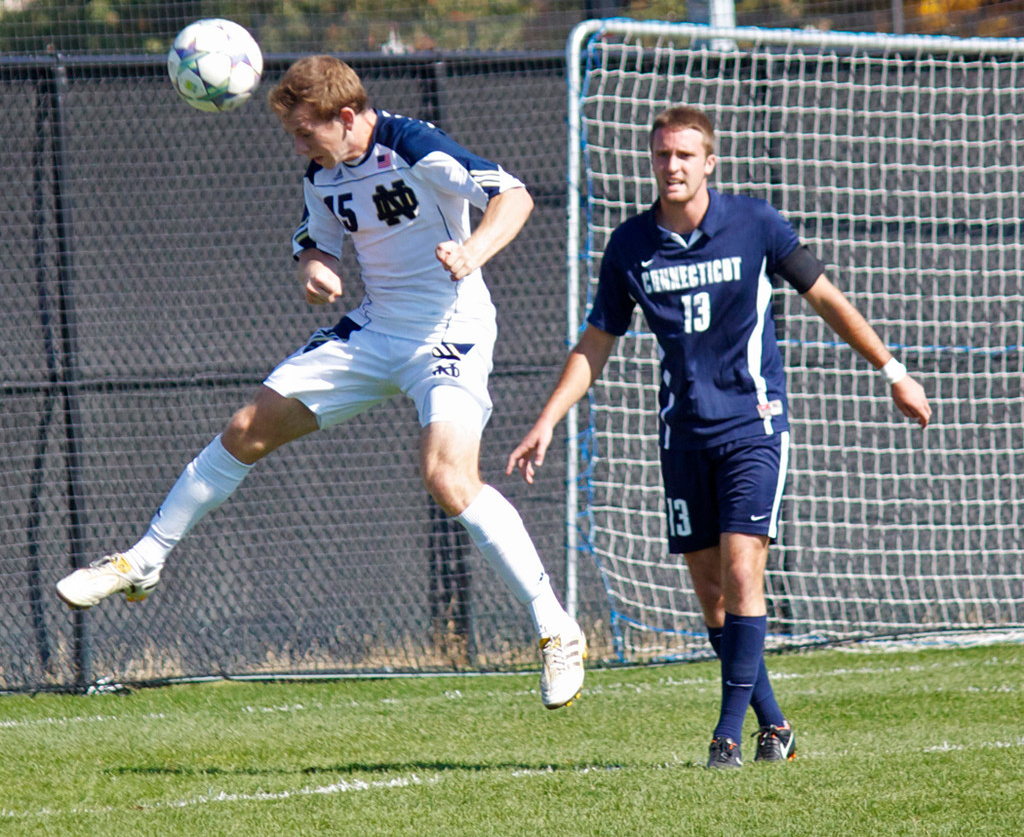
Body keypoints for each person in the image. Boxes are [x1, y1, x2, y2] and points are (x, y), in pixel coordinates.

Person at [57, 55, 586, 710]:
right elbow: (318, 239)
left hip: (451, 330)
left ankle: (555, 628)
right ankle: (144, 558)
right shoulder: (324, 173)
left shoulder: (414, 146)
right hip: (373, 331)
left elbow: (514, 195)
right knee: (249, 429)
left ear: (344, 117)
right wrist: (317, 268)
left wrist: (473, 251)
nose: (299, 145)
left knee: (448, 478)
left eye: (305, 131)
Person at [507, 105, 931, 763]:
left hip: (754, 429)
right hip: (683, 438)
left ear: (709, 161)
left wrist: (893, 370)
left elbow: (826, 297)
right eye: (660, 156)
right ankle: (776, 726)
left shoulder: (755, 224)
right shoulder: (630, 246)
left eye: (684, 155)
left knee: (741, 573)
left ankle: (727, 738)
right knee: (709, 591)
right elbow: (596, 343)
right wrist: (546, 420)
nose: (671, 166)